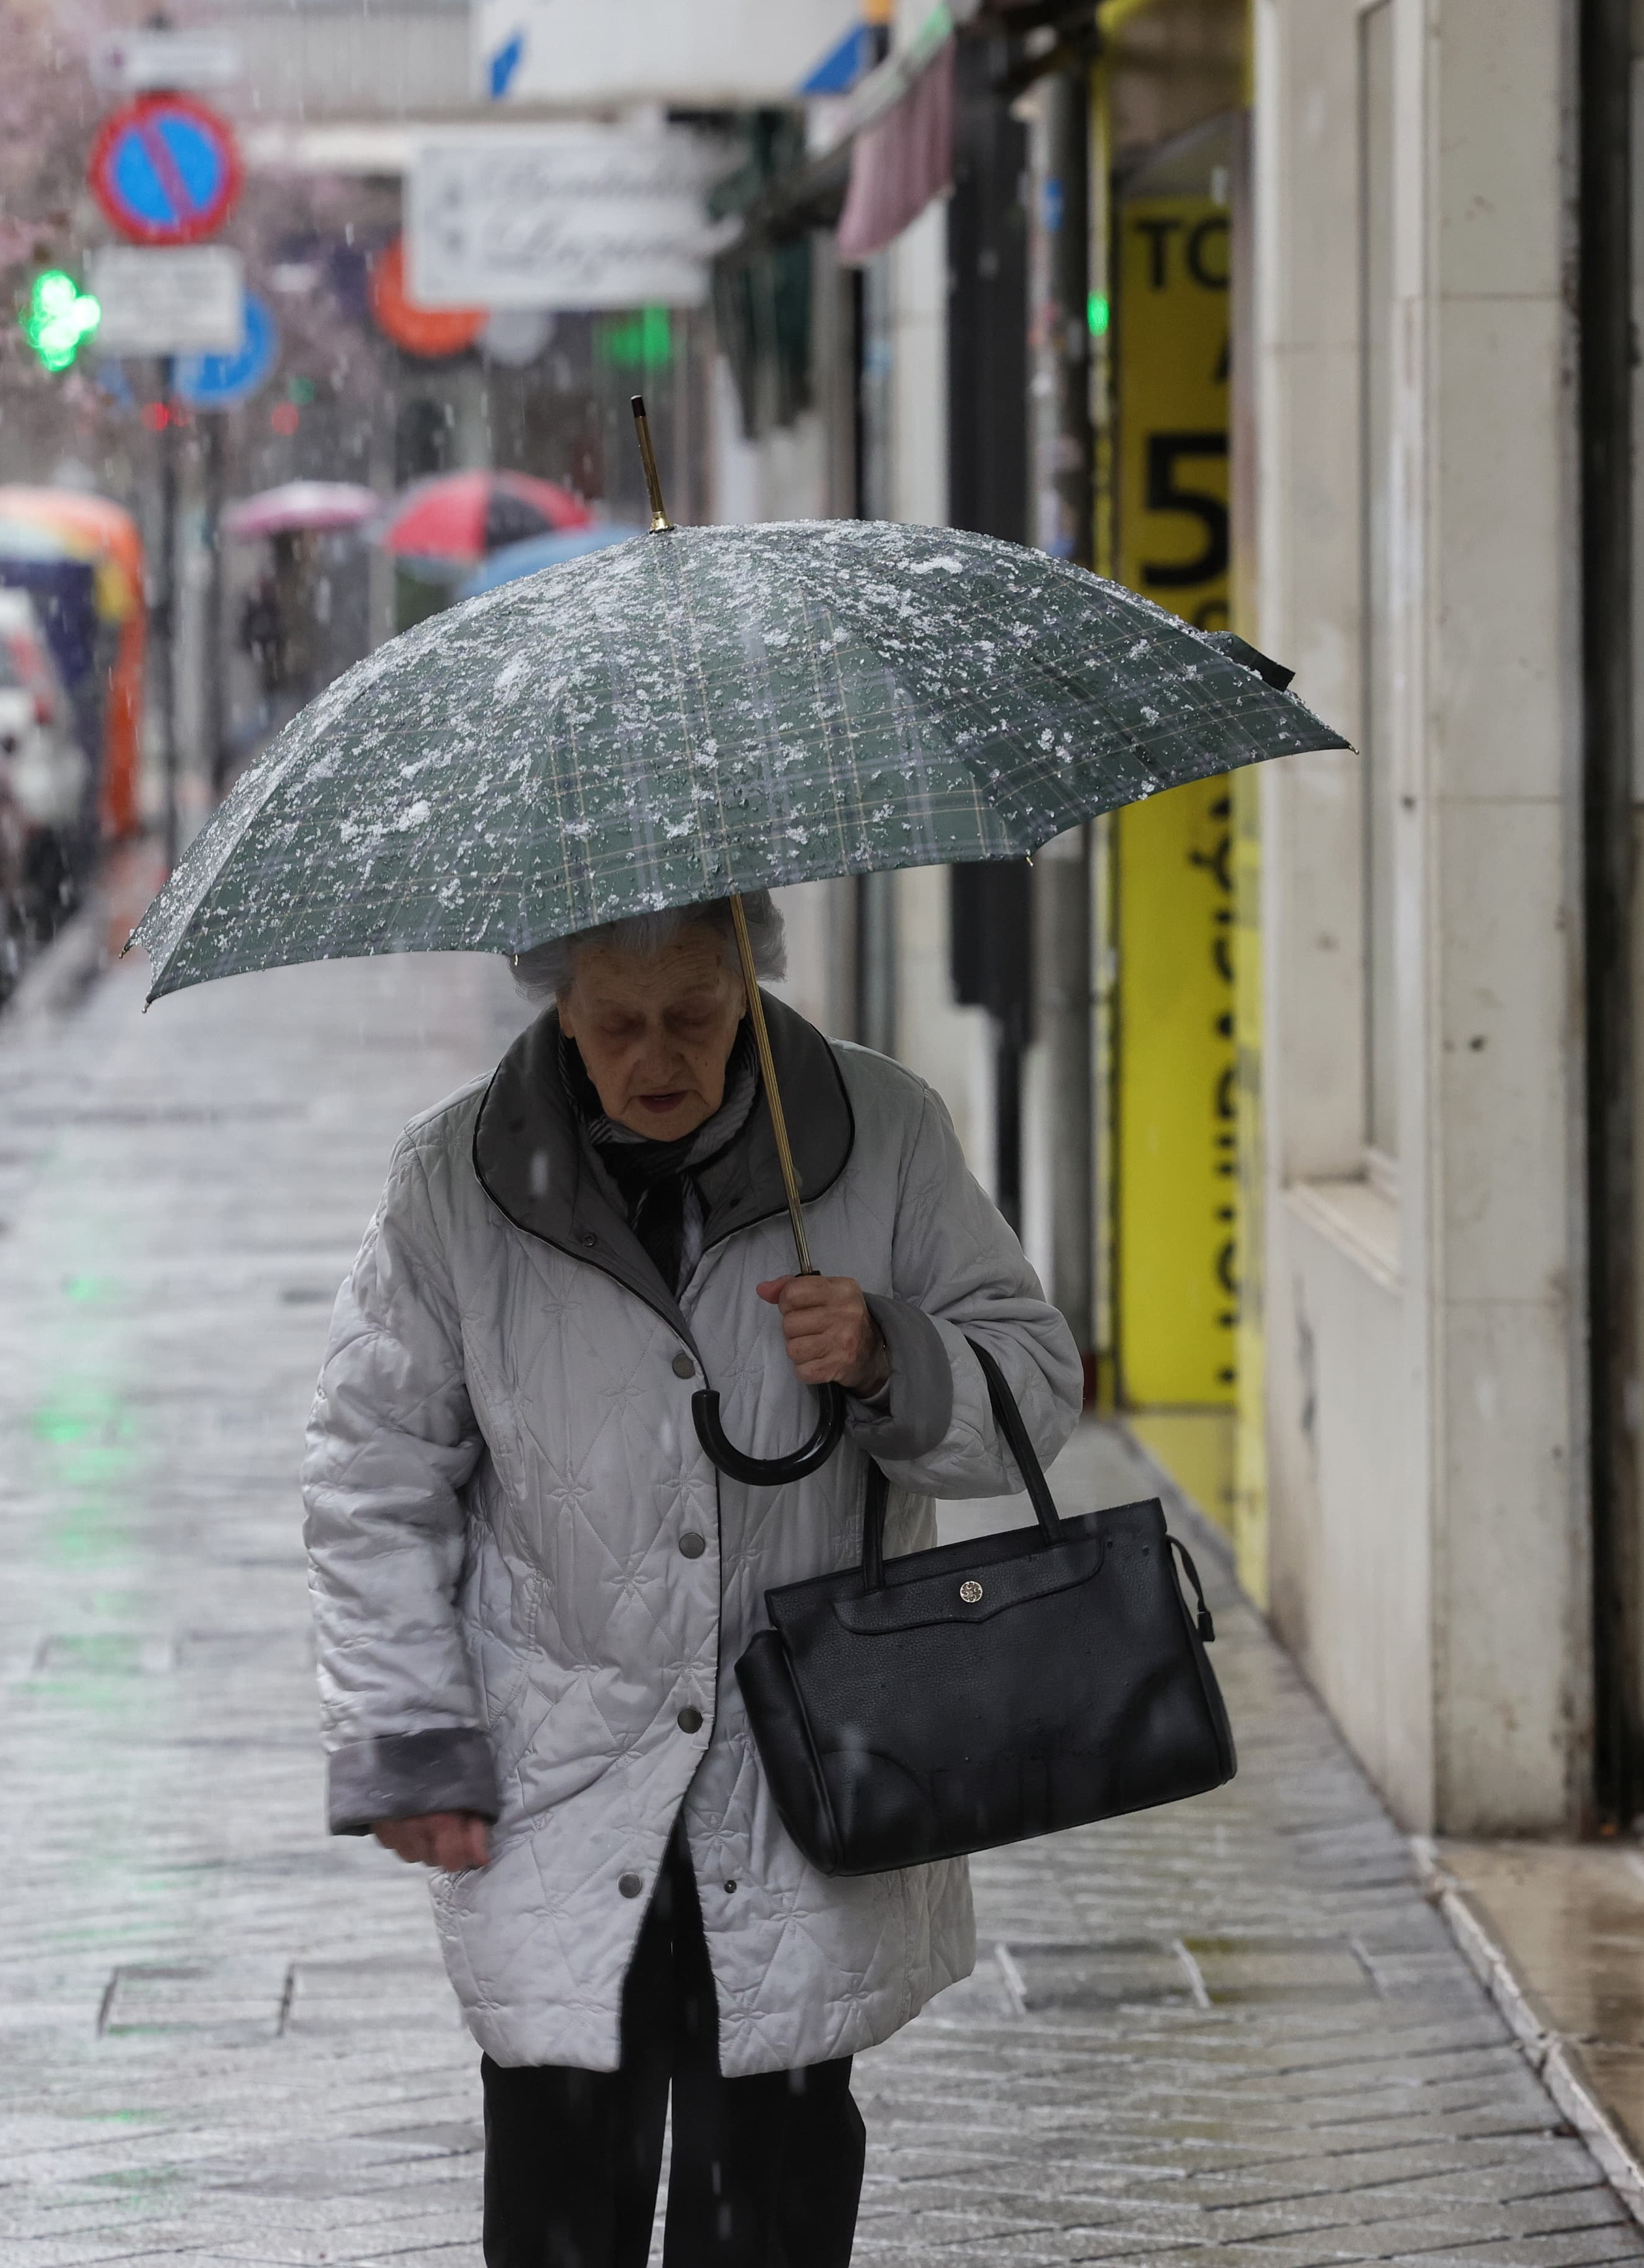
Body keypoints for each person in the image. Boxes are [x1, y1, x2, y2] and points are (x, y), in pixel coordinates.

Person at [303, 892, 1082, 2266]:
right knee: (561, 2207)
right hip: (558, 1779)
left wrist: (897, 1353)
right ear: (554, 1001)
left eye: (696, 1018)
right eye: (617, 1024)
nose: (658, 1056)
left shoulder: (880, 1133)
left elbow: (1039, 1385)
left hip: (808, 1776)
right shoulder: (449, 1181)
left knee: (770, 2209)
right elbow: (373, 1477)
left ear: (749, 984)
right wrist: (407, 1733)